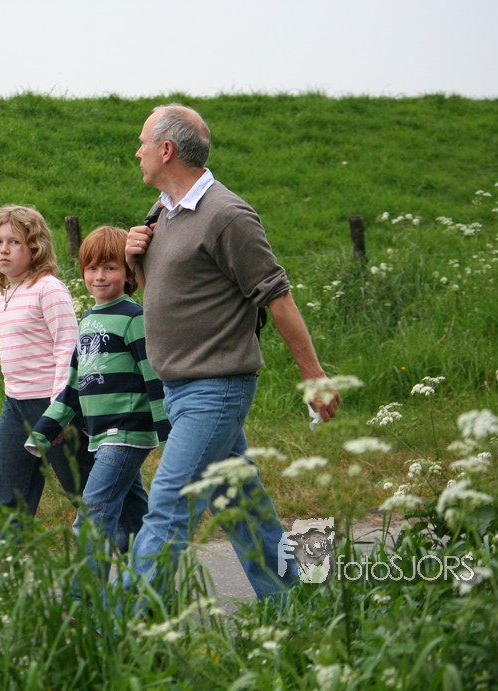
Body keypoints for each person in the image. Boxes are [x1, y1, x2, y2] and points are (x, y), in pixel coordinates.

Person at [118, 104, 341, 604]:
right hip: (179, 389)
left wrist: (314, 376)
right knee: (241, 503)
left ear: (166, 150)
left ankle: (122, 622)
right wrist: (136, 263)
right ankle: (293, 607)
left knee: (170, 503)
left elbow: (277, 296)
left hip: (215, 389)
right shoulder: (161, 212)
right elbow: (170, 298)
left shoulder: (227, 215)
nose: (137, 152)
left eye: (143, 142)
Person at [25, 226, 170, 583]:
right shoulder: (88, 321)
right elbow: (74, 385)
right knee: (136, 522)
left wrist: (170, 435)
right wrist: (45, 430)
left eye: (110, 267)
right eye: (92, 268)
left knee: (92, 515)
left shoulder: (134, 318)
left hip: (126, 434)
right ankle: (153, 591)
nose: (100, 276)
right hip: (101, 436)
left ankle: (87, 599)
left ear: (130, 273)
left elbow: (154, 379)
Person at [0, 205, 90, 538]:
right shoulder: (6, 293)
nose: (3, 250)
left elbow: (69, 348)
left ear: (35, 248)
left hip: (54, 406)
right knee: (3, 489)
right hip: (16, 406)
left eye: (15, 242)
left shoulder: (49, 289)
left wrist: (59, 409)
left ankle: (135, 544)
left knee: (86, 489)